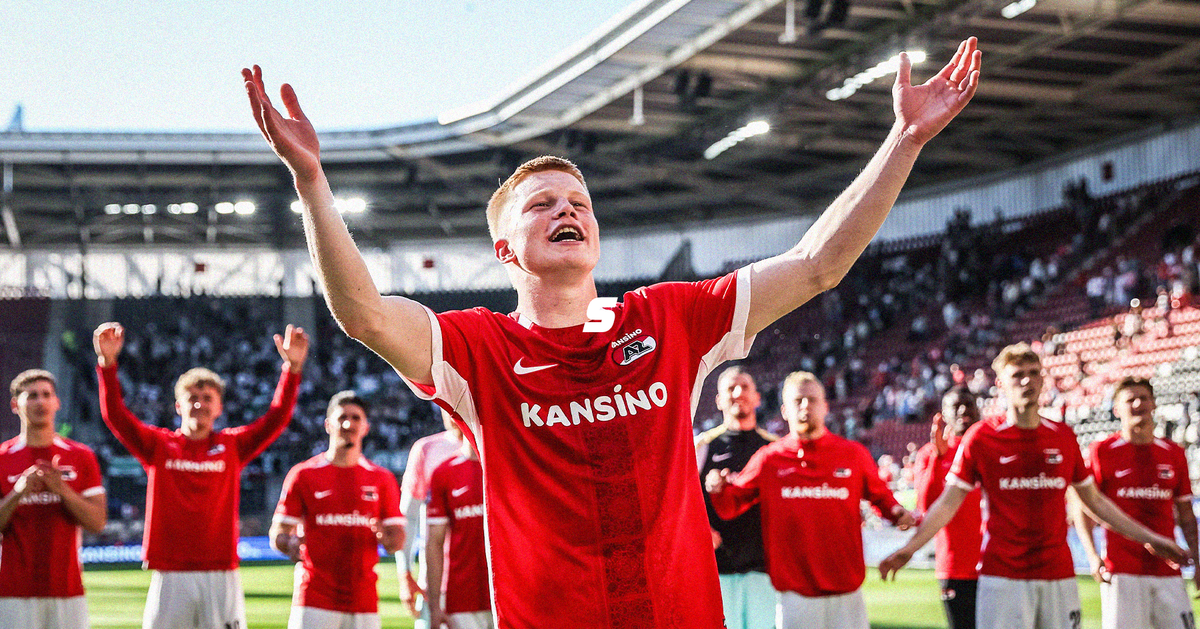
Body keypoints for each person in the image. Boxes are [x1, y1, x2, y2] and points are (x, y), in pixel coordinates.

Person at [243, 37, 982, 628]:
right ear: (504, 250)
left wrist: (905, 141)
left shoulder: (670, 317)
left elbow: (817, 264)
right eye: (540, 205)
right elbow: (363, 313)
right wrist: (312, 182)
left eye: (579, 200)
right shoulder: (479, 348)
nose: (567, 209)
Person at [879, 343, 1188, 629]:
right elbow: (947, 503)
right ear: (1000, 385)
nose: (1026, 381)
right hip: (1002, 578)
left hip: (1058, 576)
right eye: (1017, 376)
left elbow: (1095, 501)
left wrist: (1151, 539)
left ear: (1042, 381)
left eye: (1032, 374)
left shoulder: (1063, 437)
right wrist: (909, 549)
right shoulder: (982, 438)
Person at [93, 321, 308, 629]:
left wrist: (292, 369)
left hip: (220, 571)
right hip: (170, 571)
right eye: (192, 397)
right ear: (178, 405)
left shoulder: (232, 445)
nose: (199, 404)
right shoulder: (159, 445)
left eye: (208, 398)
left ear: (219, 407)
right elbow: (115, 415)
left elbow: (276, 419)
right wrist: (107, 363)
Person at [706, 371, 915, 629]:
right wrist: (717, 487)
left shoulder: (852, 454)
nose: (805, 406)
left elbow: (882, 497)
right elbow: (730, 506)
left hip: (847, 593)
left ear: (825, 406)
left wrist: (897, 512)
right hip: (794, 596)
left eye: (812, 400)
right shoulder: (769, 459)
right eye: (798, 401)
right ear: (784, 411)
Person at [1071, 377, 1198, 629]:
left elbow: (1185, 514)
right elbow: (1082, 508)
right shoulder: (1102, 451)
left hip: (1169, 571)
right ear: (1117, 410)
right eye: (1130, 399)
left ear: (1154, 404)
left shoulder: (1174, 453)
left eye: (1144, 398)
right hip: (1121, 571)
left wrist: (1198, 557)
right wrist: (1093, 555)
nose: (1138, 404)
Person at [271, 390, 405, 629]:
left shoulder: (381, 479)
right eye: (342, 417)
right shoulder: (303, 475)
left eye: (356, 418)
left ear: (365, 427)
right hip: (313, 598)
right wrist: (288, 544)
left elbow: (397, 541)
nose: (348, 423)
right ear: (327, 424)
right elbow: (278, 534)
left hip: (363, 600)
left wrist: (386, 537)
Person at [0, 369, 106, 629]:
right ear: (16, 404)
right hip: (13, 592)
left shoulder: (81, 456)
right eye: (32, 395)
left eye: (47, 395)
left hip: (67, 591)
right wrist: (18, 493)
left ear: (57, 402)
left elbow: (97, 523)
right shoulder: (2, 458)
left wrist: (63, 491)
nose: (40, 402)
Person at [694, 366, 776, 629]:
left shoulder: (774, 448)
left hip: (763, 570)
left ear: (757, 397)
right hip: (716, 571)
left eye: (744, 387)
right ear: (718, 399)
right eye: (730, 388)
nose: (738, 393)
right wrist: (701, 530)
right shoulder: (701, 446)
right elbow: (678, 501)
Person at [911, 385, 983, 629]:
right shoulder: (928, 454)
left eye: (969, 404)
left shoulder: (990, 449)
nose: (963, 409)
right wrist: (938, 458)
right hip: (956, 568)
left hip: (997, 565)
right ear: (944, 414)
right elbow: (925, 506)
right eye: (956, 405)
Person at [398, 411, 464, 629]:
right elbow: (407, 516)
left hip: (491, 579)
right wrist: (404, 572)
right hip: (437, 584)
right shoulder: (427, 450)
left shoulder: (495, 444)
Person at [425, 432, 492, 629]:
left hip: (511, 594)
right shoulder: (444, 472)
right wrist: (435, 606)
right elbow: (434, 543)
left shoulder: (512, 466)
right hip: (463, 597)